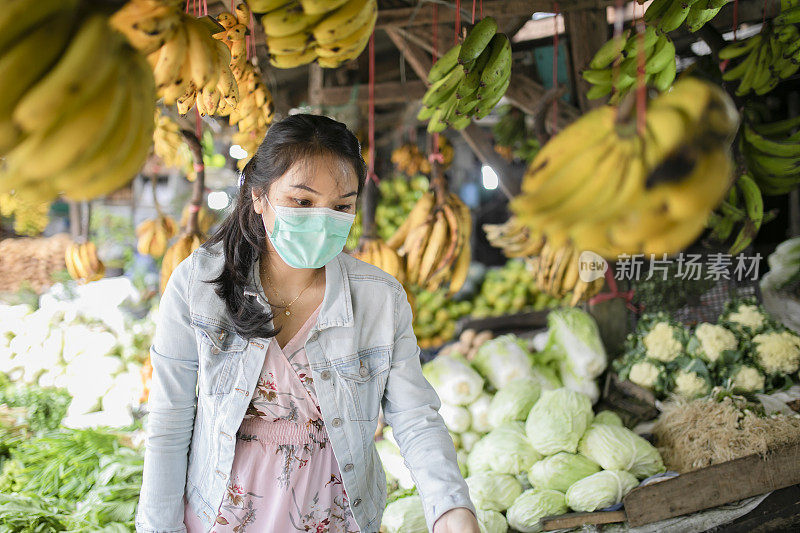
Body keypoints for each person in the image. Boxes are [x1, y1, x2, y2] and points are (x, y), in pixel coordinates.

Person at [134, 114, 479, 533]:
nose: (322, 219)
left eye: (341, 206)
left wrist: (451, 509)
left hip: (336, 518)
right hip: (221, 517)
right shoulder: (199, 283)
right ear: (259, 196)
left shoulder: (380, 299)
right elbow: (169, 422)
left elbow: (415, 416)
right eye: (302, 201)